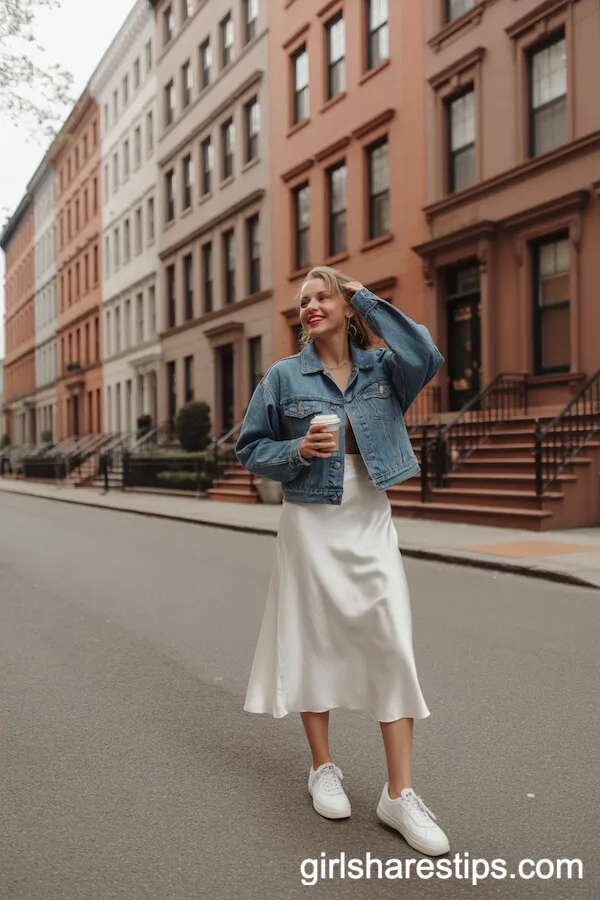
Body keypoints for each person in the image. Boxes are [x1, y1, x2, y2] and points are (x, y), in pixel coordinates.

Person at [235, 266, 449, 857]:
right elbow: (249, 447)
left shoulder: (384, 369)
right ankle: (322, 767)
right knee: (314, 637)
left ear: (345, 305)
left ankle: (399, 794)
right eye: (303, 301)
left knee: (390, 640)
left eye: (321, 295)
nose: (309, 307)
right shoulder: (282, 376)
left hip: (368, 515)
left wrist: (364, 297)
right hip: (309, 518)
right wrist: (298, 449)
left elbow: (426, 352)